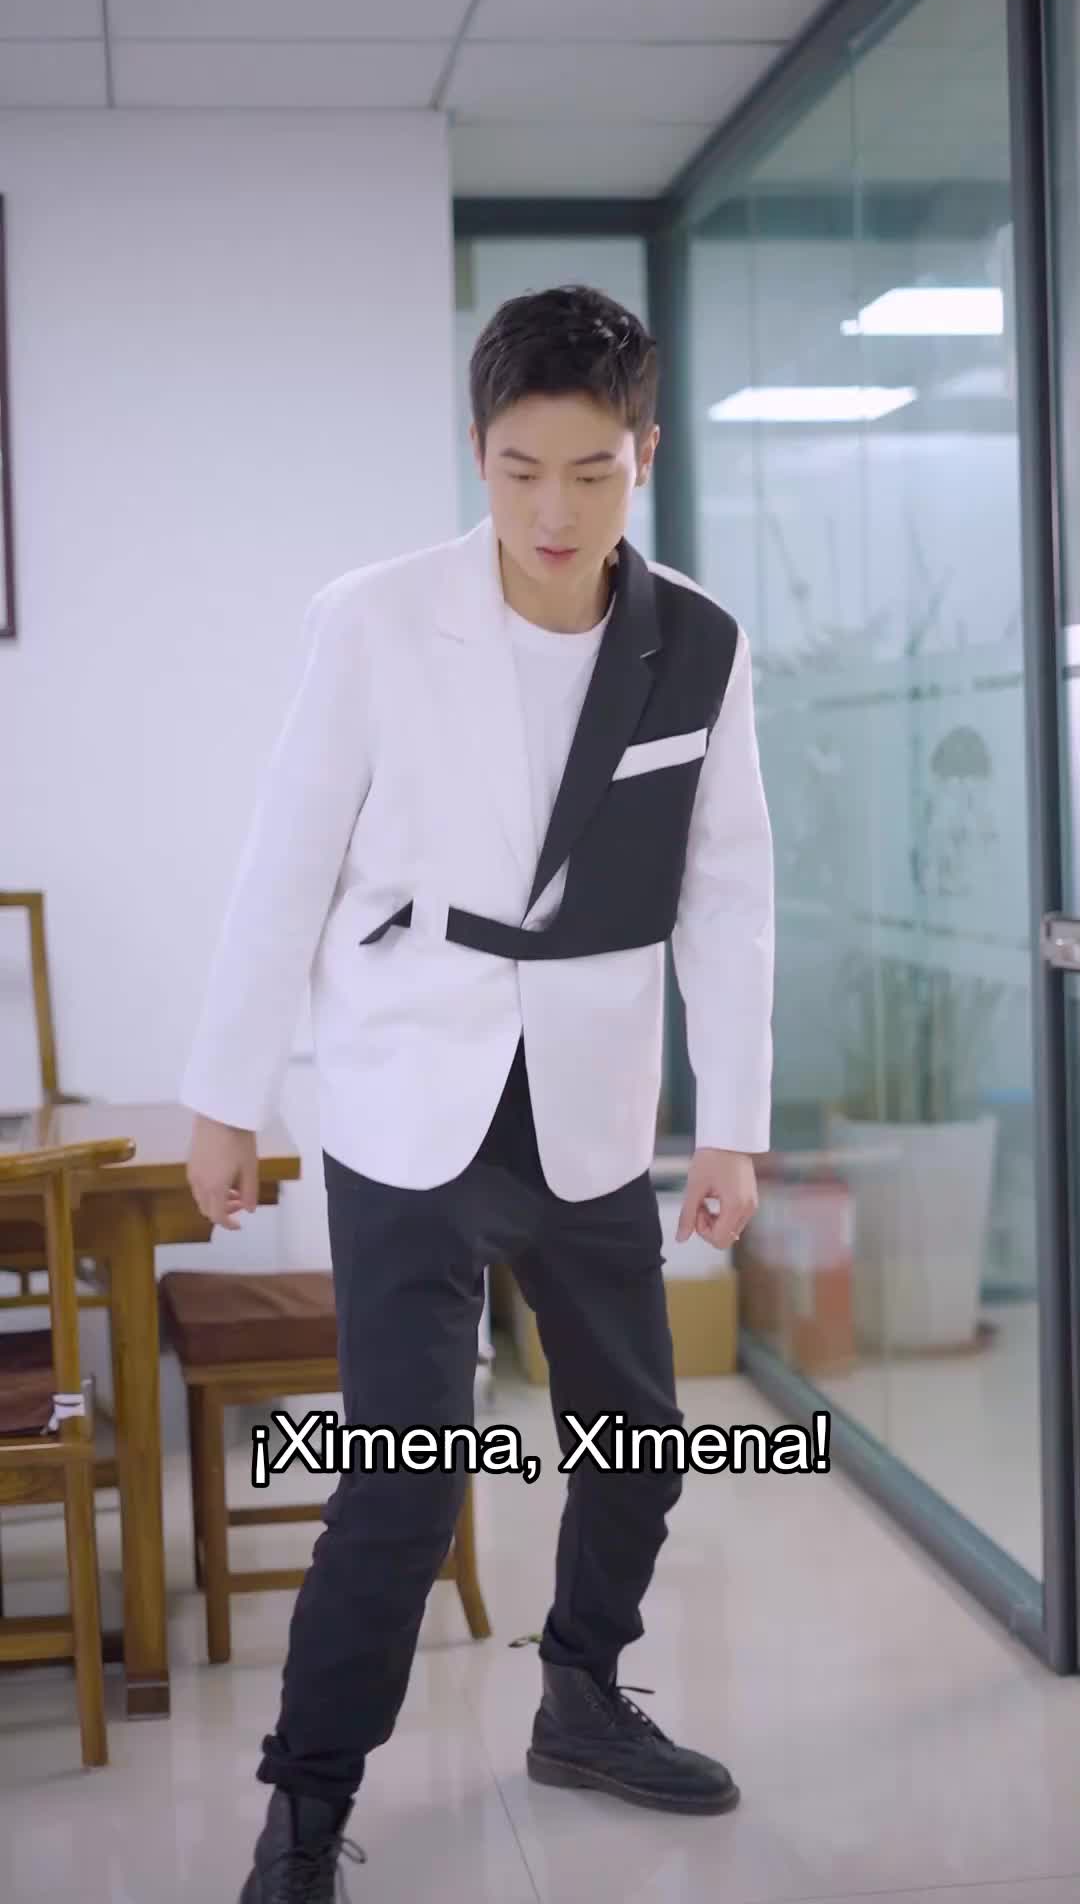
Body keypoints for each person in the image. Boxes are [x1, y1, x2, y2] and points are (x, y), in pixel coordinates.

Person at [181, 283, 775, 1901]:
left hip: (588, 1094)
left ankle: (582, 1695)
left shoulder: (698, 643)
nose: (554, 512)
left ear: (644, 456)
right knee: (403, 1478)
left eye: (591, 472)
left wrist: (732, 1122)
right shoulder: (375, 620)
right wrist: (229, 1097)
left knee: (638, 1440)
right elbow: (286, 860)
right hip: (406, 1089)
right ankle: (307, 1802)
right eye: (521, 472)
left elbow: (729, 888)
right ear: (476, 453)